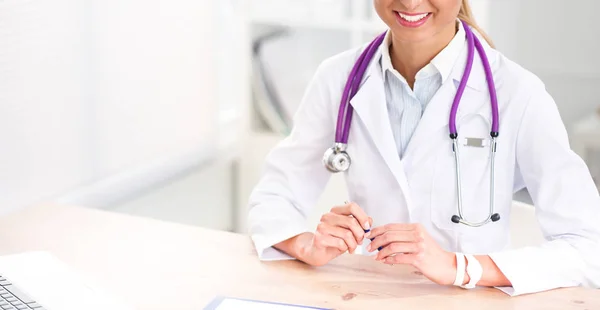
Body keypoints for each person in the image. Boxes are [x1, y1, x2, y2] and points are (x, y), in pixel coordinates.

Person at [246, 0, 600, 296]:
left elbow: (589, 247)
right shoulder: (337, 77)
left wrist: (460, 267)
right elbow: (273, 198)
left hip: (469, 303)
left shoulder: (518, 95)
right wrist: (306, 245)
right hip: (366, 298)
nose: (411, 2)